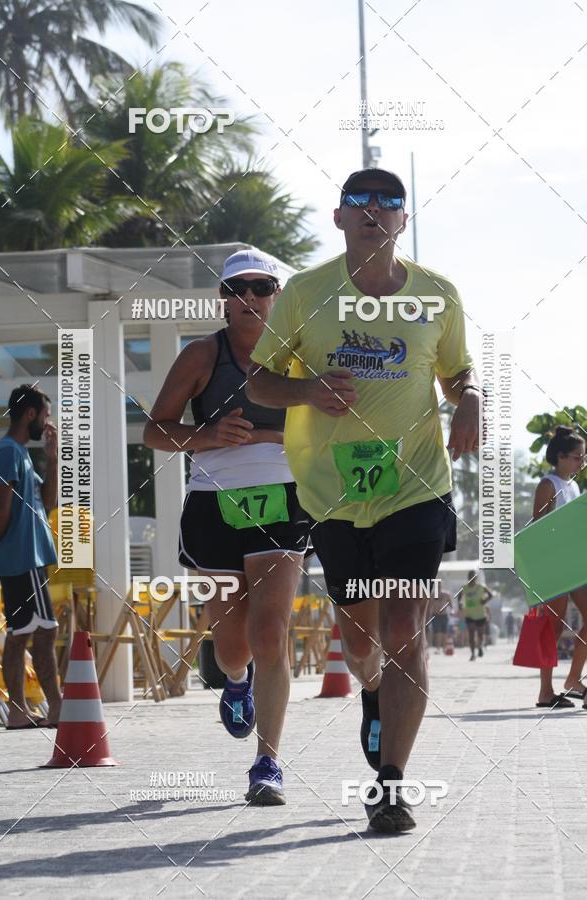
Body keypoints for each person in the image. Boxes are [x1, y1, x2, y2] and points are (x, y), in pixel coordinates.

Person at [246, 167, 479, 832]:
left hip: (416, 487)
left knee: (404, 632)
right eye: (360, 200)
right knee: (359, 645)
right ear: (339, 216)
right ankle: (372, 695)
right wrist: (308, 393)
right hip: (335, 495)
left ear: (404, 219)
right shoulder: (306, 293)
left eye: (389, 201)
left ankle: (392, 786)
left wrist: (472, 401)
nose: (374, 209)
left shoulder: (437, 295)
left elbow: (459, 372)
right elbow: (260, 383)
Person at [144, 249, 310, 805]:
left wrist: (265, 439)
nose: (251, 299)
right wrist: (207, 437)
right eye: (238, 289)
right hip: (214, 503)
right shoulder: (202, 355)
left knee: (270, 633)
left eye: (262, 288)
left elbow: (332, 424)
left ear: (278, 296)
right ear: (224, 298)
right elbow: (154, 432)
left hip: (283, 498)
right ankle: (235, 683)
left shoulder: (299, 353)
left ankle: (268, 762)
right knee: (232, 646)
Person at [0, 385, 61, 729]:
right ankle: (57, 709)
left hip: (26, 557)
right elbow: (1, 505)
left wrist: (53, 457)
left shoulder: (20, 453)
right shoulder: (7, 452)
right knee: (44, 631)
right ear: (30, 414)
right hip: (22, 556)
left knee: (21, 633)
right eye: (44, 414)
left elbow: (47, 503)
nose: (45, 422)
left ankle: (19, 711)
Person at [532, 426, 587, 709]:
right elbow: (539, 530)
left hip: (574, 562)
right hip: (553, 564)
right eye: (578, 457)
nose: (583, 462)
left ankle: (574, 679)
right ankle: (545, 691)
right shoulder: (548, 484)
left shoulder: (574, 485)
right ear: (562, 457)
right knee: (552, 629)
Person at [460, 570, 492, 660]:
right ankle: (473, 654)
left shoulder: (481, 587)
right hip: (469, 614)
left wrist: (484, 601)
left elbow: (490, 595)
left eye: (473, 577)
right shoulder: (464, 588)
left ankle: (480, 646)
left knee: (480, 635)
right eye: (470, 577)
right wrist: (461, 606)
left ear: (476, 578)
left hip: (481, 614)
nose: (472, 579)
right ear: (468, 578)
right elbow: (459, 599)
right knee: (471, 634)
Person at [430, 586, 452, 653]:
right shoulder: (433, 595)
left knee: (444, 632)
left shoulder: (446, 594)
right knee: (437, 632)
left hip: (444, 615)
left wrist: (452, 611)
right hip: (435, 615)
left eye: (439, 585)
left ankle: (444, 648)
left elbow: (451, 604)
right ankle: (438, 648)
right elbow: (429, 605)